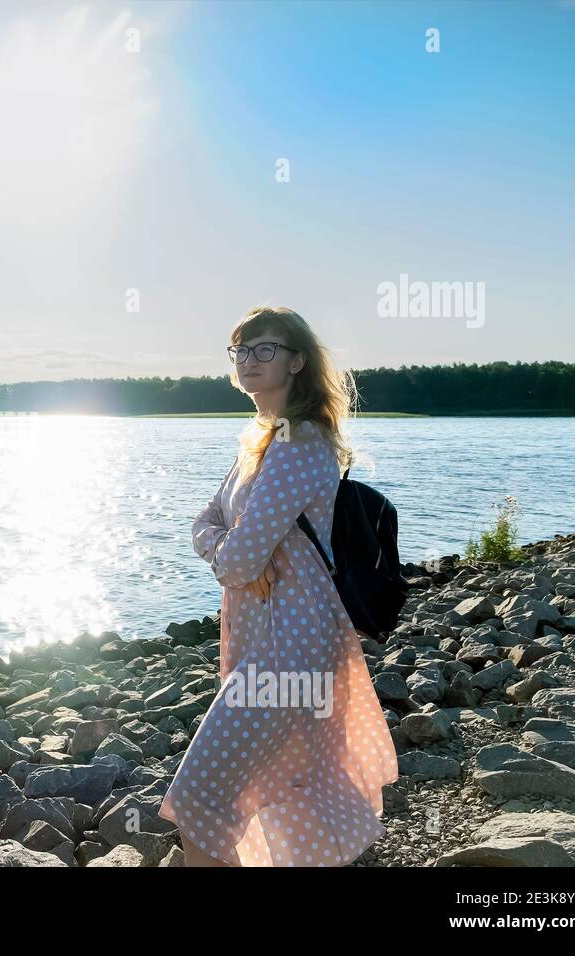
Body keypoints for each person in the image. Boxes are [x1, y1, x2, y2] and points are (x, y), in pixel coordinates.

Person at [158, 306, 398, 867]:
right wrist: (229, 548)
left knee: (202, 794)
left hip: (294, 646)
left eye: (265, 349)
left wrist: (234, 551)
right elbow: (204, 524)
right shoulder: (259, 442)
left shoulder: (301, 441)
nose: (249, 361)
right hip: (265, 638)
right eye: (240, 350)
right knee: (281, 788)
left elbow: (238, 556)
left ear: (296, 361)